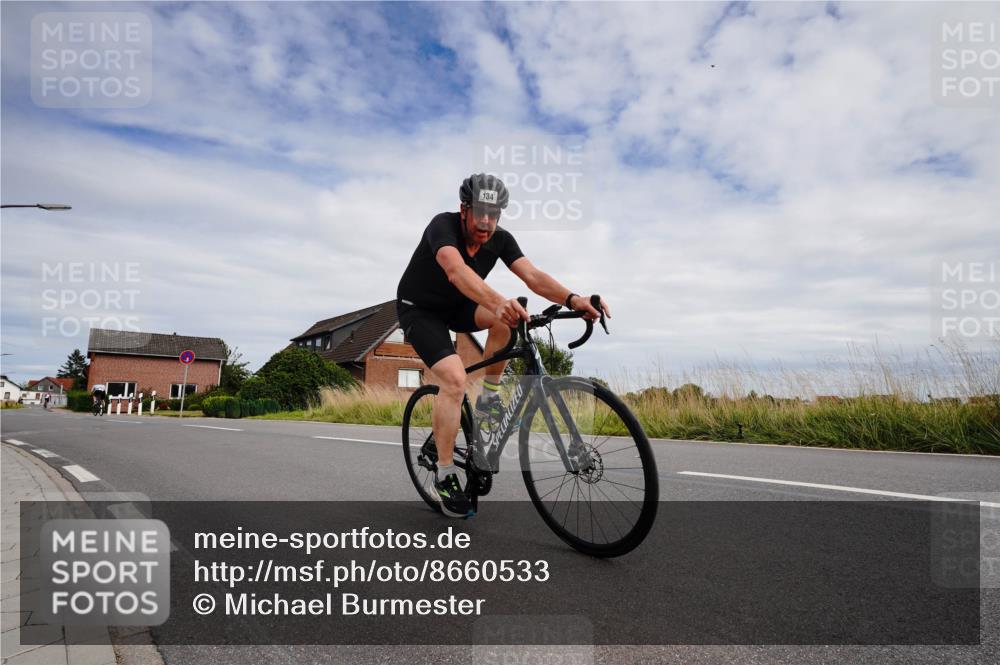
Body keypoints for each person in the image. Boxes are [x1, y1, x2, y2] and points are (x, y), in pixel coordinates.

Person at [396, 173, 610, 518]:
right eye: (479, 212)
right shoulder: (442, 226)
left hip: (459, 306)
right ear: (463, 209)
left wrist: (574, 299)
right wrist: (497, 301)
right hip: (419, 309)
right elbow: (456, 272)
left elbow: (534, 277)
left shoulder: (500, 239)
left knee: (506, 322)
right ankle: (446, 472)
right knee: (453, 378)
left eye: (494, 214)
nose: (486, 221)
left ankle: (489, 400)